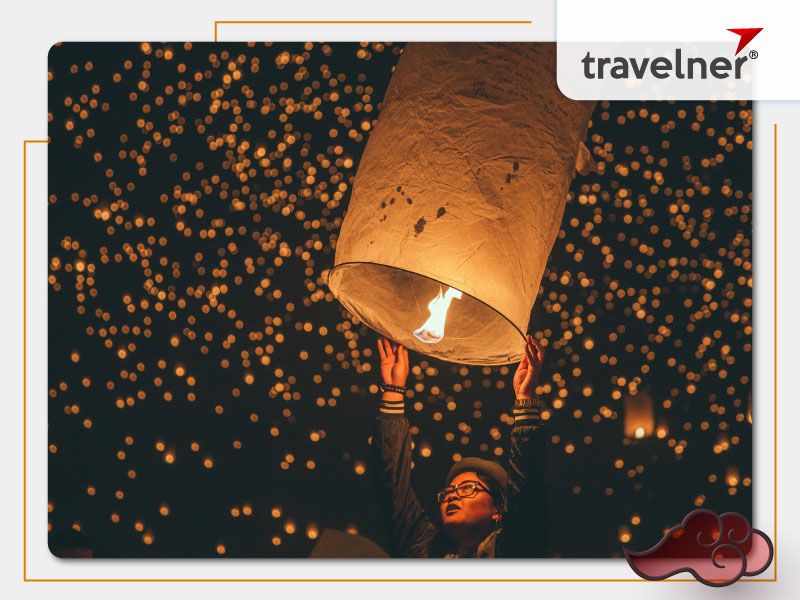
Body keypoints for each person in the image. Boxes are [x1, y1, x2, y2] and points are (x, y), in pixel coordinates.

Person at [370, 335, 548, 558]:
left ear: (498, 509)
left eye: (467, 489)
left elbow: (526, 486)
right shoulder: (419, 546)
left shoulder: (512, 550)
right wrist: (393, 391)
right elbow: (391, 483)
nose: (452, 496)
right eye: (449, 492)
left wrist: (525, 399)